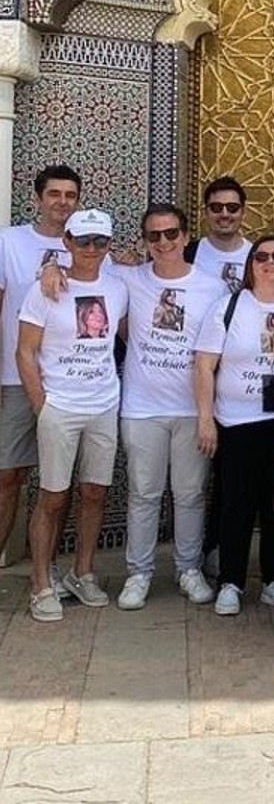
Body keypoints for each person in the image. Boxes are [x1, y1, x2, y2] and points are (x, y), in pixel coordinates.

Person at [17, 209, 129, 622]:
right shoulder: (44, 289)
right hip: (60, 406)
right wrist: (41, 404)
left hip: (103, 404)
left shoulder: (118, 288)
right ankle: (41, 582)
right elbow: (25, 351)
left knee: (96, 493)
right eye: (83, 241)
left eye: (100, 242)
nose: (91, 249)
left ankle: (83, 572)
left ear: (109, 245)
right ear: (67, 242)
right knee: (52, 497)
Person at [113, 205, 226, 609]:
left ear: (184, 236)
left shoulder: (213, 287)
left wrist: (209, 413)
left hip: (192, 409)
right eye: (154, 236)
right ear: (145, 241)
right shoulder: (128, 278)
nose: (163, 242)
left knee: (191, 493)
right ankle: (139, 573)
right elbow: (82, 271)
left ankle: (188, 569)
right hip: (142, 408)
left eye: (171, 234)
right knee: (144, 493)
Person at [195, 235, 274, 616]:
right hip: (237, 423)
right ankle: (231, 581)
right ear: (250, 264)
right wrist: (206, 419)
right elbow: (205, 366)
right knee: (235, 506)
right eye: (261, 256)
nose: (269, 262)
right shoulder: (228, 307)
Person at [0, 165, 81, 579]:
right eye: (55, 194)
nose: (62, 202)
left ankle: (45, 568)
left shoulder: (87, 246)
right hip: (16, 378)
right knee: (8, 474)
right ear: (38, 198)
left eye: (70, 195)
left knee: (58, 481)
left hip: (69, 384)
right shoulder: (8, 242)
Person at [185, 176, 252, 293]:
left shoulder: (257, 256)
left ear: (244, 212)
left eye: (232, 208)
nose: (224, 214)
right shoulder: (187, 254)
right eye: (216, 208)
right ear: (205, 212)